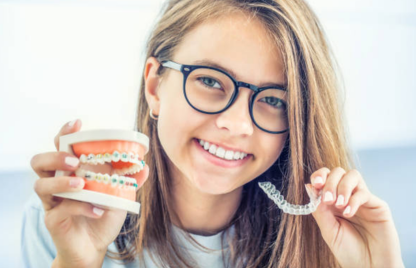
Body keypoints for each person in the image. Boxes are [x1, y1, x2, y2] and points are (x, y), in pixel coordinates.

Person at [23, 0, 405, 267]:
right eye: (209, 80)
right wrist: (77, 263)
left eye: (274, 101)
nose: (237, 124)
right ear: (155, 86)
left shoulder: (325, 238)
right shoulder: (62, 220)